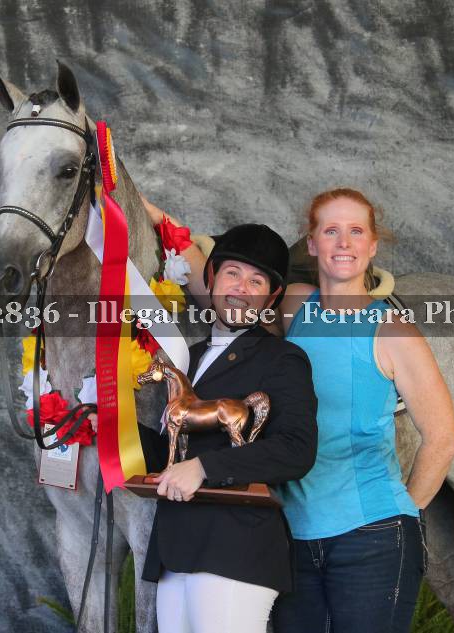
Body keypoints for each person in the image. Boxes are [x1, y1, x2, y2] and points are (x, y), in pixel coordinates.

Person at [141, 190, 454, 633]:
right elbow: (221, 284)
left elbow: (444, 439)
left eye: (356, 231)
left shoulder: (393, 332)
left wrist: (401, 516)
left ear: (372, 245)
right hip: (294, 533)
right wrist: (147, 212)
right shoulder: (294, 305)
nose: (343, 242)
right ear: (312, 243)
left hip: (370, 533)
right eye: (331, 231)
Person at [137, 223, 319, 633]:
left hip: (235, 548)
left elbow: (297, 448)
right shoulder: (188, 357)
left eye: (257, 281)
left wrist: (205, 468)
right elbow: (174, 454)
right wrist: (114, 428)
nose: (241, 287)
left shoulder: (283, 359)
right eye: (233, 273)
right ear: (212, 277)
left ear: (271, 296)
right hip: (176, 548)